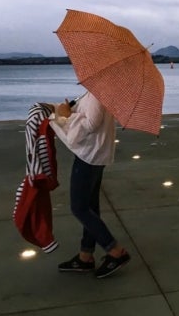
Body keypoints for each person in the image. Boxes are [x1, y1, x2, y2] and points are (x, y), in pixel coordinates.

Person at [49, 91, 131, 278]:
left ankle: (116, 251)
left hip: (90, 156)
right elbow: (88, 115)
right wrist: (70, 109)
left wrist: (67, 117)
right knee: (90, 206)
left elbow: (92, 123)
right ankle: (85, 256)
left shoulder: (98, 91)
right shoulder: (96, 90)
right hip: (95, 154)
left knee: (79, 208)